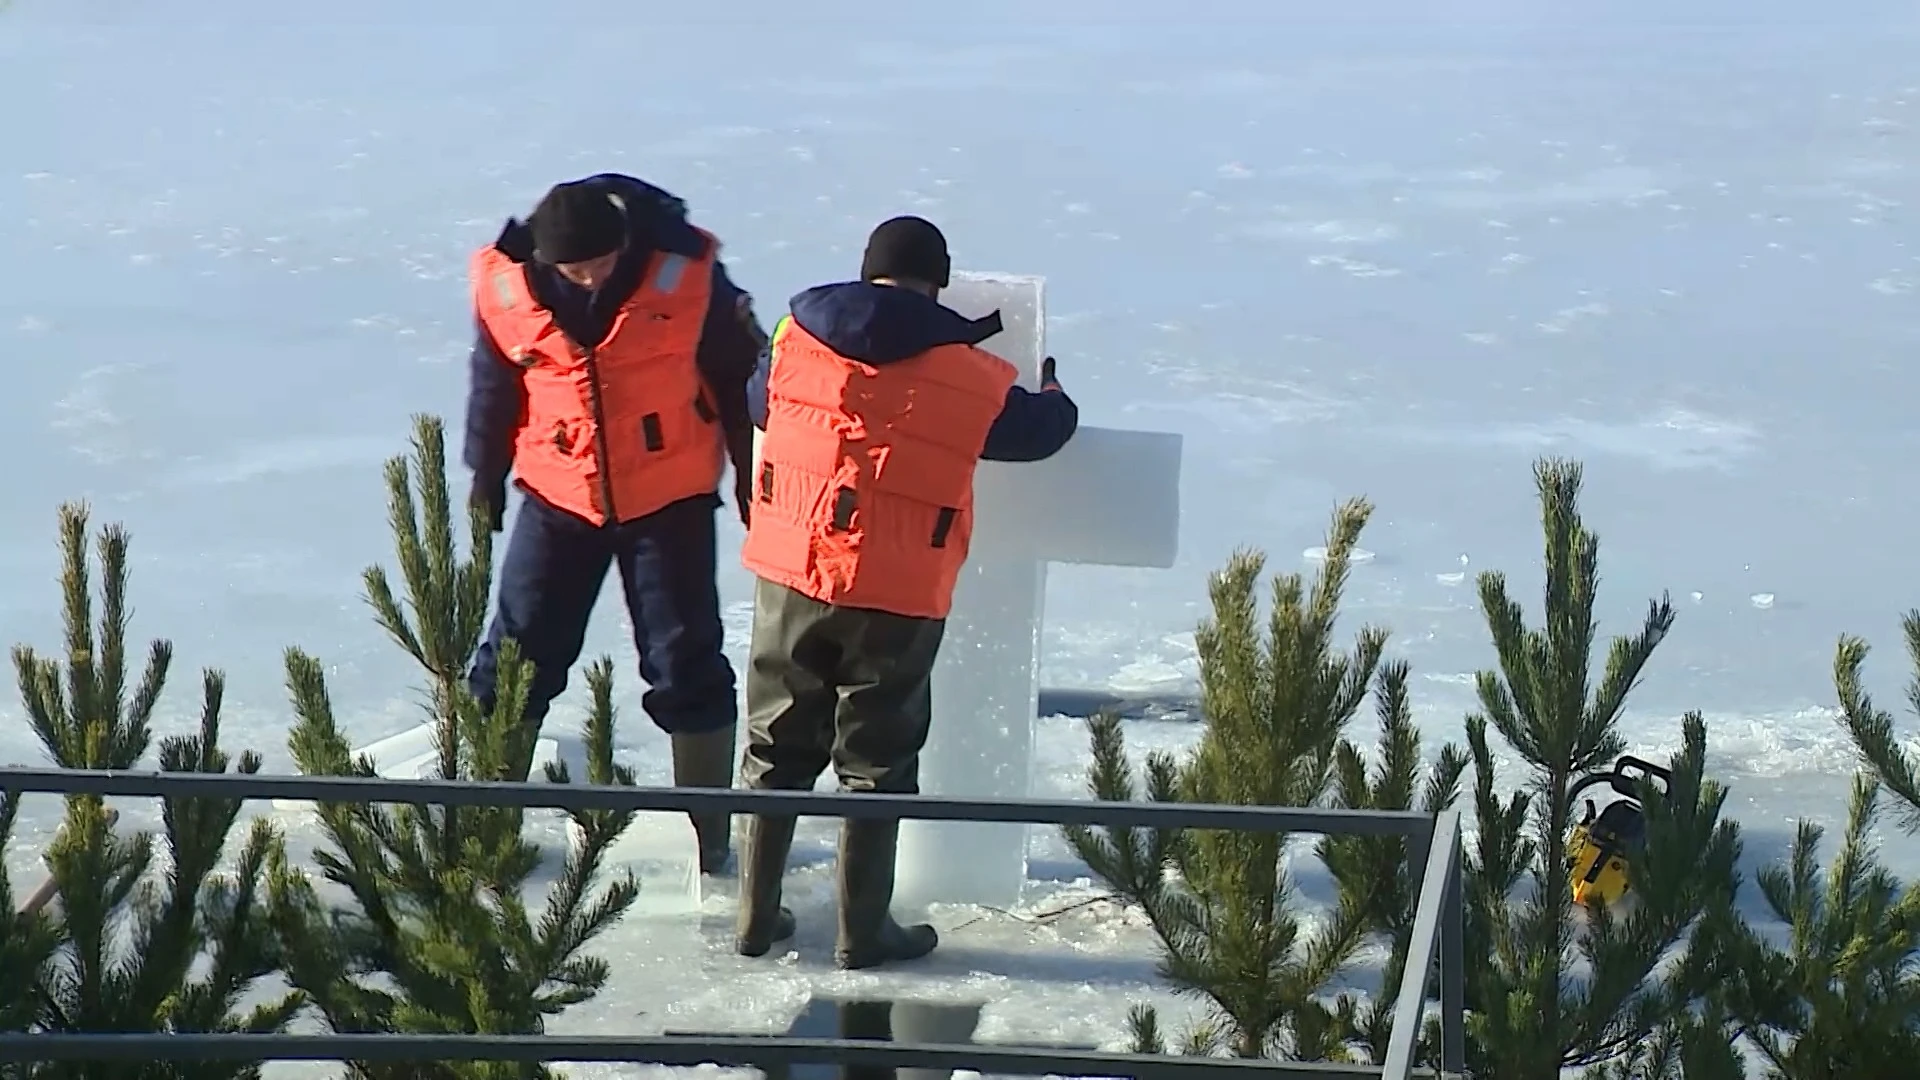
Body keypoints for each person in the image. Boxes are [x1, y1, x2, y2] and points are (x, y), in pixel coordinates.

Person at [731, 216, 1079, 968]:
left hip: (792, 570)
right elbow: (1038, 432)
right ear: (937, 281)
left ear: (865, 273)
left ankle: (754, 919)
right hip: (898, 589)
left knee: (774, 747)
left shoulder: (795, 340)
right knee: (876, 762)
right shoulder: (967, 373)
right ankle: (863, 933)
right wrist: (1055, 389)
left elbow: (760, 402)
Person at [463, 173, 765, 875]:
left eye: (602, 262)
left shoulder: (687, 277)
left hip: (670, 498)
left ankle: (708, 838)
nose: (592, 277)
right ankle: (484, 828)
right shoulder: (506, 288)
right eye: (576, 269)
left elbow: (741, 379)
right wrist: (485, 475)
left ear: (624, 243)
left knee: (686, 661)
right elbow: (494, 384)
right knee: (516, 658)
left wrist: (756, 475)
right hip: (557, 495)